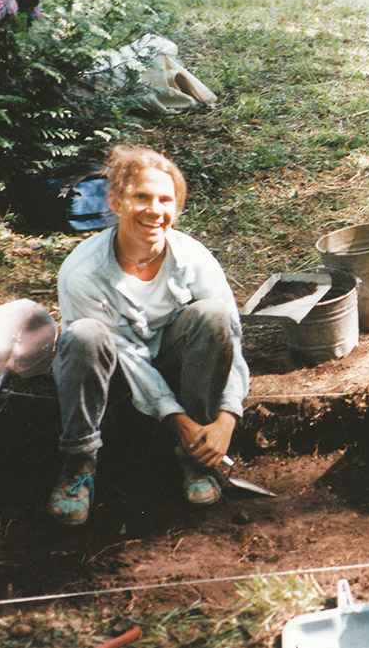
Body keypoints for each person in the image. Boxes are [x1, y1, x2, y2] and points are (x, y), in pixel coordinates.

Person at [48, 145, 250, 527]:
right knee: (83, 336)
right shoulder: (83, 273)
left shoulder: (193, 258)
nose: (154, 210)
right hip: (115, 381)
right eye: (141, 197)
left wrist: (227, 417)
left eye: (165, 200)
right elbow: (125, 355)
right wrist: (174, 416)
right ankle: (79, 464)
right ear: (116, 201)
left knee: (215, 314)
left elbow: (232, 336)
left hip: (176, 370)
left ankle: (197, 456)